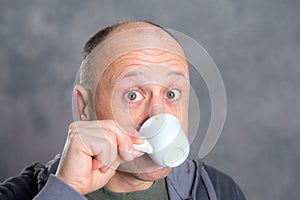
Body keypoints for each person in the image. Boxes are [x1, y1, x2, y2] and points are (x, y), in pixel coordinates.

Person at [0, 20, 246, 200]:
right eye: (133, 95)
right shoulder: (20, 194)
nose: (159, 114)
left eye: (171, 94)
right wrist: (65, 191)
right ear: (84, 107)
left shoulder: (218, 190)